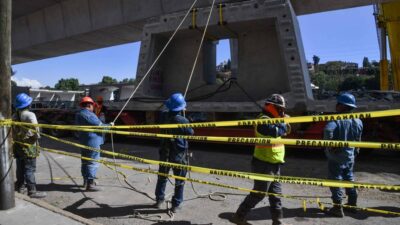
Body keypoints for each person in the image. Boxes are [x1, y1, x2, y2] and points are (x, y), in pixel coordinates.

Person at [230, 94, 291, 225]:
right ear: (271, 107)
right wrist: (284, 122)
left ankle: (278, 221)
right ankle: (239, 217)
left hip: (275, 163)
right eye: (280, 109)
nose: (282, 112)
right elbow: (275, 131)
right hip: (263, 164)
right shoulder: (263, 120)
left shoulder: (276, 120)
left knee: (276, 195)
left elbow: (285, 131)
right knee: (259, 194)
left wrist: (283, 123)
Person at [323, 93, 363, 217]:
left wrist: (331, 145)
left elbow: (328, 130)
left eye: (338, 104)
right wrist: (355, 151)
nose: (336, 106)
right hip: (350, 156)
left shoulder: (336, 120)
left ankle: (337, 207)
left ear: (342, 106)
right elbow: (358, 140)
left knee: (336, 180)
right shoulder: (358, 120)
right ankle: (352, 205)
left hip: (336, 157)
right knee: (349, 178)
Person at [154, 93, 194, 213]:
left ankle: (159, 200)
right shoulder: (183, 120)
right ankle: (176, 204)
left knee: (162, 177)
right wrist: (185, 117)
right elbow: (191, 132)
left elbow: (167, 115)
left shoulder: (162, 116)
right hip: (178, 154)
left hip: (164, 152)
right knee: (179, 180)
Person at [12, 93, 47, 198]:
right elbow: (36, 132)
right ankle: (32, 191)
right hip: (29, 146)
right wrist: (36, 136)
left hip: (18, 145)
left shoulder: (14, 115)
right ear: (27, 104)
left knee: (20, 167)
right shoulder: (30, 115)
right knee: (30, 168)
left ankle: (20, 186)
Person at [75, 96, 109, 191]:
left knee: (85, 161)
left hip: (84, 141)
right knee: (92, 162)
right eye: (93, 105)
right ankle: (90, 184)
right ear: (90, 105)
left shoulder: (78, 114)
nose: (94, 107)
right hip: (92, 142)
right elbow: (100, 126)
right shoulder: (89, 114)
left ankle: (86, 181)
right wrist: (110, 126)